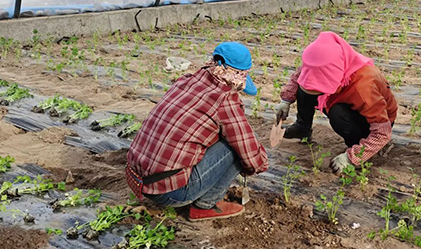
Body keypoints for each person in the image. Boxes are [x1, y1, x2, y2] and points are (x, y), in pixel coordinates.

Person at [125, 42, 268, 221]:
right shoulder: (224, 100)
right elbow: (251, 156)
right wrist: (257, 164)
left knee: (219, 134)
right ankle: (206, 206)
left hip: (137, 177)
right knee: (238, 146)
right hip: (170, 192)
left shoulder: (186, 81)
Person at [275, 31, 397, 174]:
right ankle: (302, 128)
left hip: (372, 122)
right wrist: (286, 100)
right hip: (341, 99)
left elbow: (382, 132)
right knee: (304, 89)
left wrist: (352, 157)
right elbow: (300, 75)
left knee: (338, 113)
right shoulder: (320, 60)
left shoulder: (364, 88)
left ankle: (357, 146)